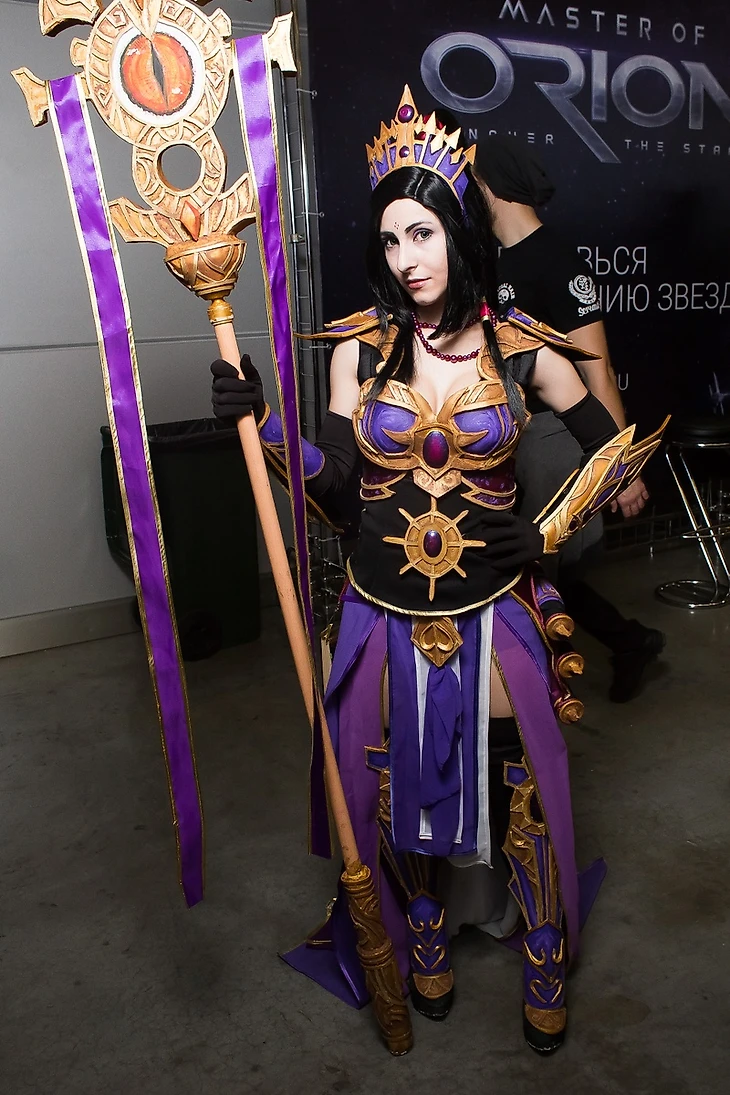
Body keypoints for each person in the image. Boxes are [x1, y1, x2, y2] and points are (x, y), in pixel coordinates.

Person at [210, 89, 663, 1055]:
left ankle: (543, 946)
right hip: (382, 604)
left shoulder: (520, 343)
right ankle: (421, 927)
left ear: (458, 230)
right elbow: (338, 492)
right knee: (392, 781)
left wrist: (545, 533)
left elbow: (611, 447)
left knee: (519, 781)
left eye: (421, 233)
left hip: (496, 605)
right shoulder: (359, 349)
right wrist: (264, 427)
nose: (405, 258)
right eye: (389, 240)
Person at [473, 135, 665, 703]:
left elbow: (599, 372)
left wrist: (621, 469)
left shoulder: (556, 260)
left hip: (556, 438)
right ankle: (629, 642)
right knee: (540, 571)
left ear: (491, 185)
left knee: (533, 573)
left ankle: (530, 705)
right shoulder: (492, 262)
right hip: (512, 439)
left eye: (469, 180)